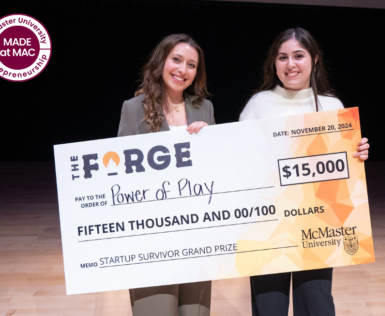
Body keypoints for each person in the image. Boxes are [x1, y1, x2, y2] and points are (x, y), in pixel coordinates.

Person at [239, 27, 370, 316]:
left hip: (318, 224)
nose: (290, 64)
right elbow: (241, 165)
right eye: (282, 57)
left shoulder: (332, 107)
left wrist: (357, 153)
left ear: (314, 60)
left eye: (298, 56)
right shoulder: (258, 106)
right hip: (268, 227)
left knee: (316, 304)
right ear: (274, 63)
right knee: (269, 306)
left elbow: (342, 175)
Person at [118, 34, 215, 316]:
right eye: (176, 60)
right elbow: (121, 177)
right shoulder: (133, 108)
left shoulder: (204, 108)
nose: (182, 70)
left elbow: (216, 170)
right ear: (161, 62)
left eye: (191, 65)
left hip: (196, 232)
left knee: (194, 311)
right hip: (151, 234)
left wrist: (209, 141)